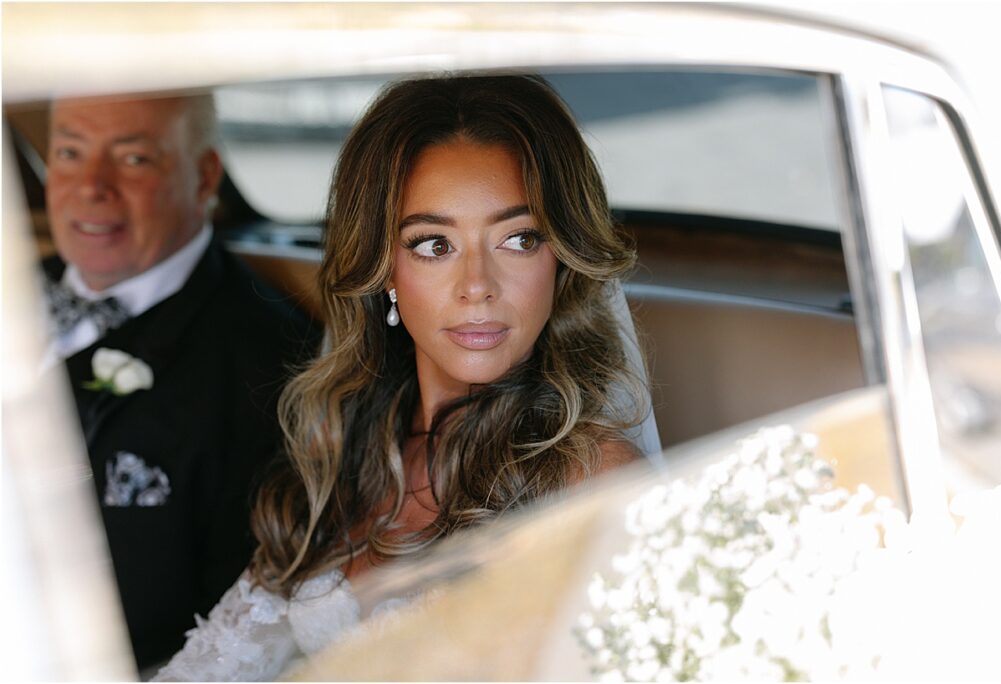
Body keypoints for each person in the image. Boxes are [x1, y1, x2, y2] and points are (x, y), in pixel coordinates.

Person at [154, 74, 650, 681]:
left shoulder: (597, 482)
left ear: (562, 257)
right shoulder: (348, 450)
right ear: (384, 266)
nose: (477, 286)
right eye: (433, 244)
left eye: (520, 238)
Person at [40, 93, 318, 671]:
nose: (92, 186)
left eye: (134, 158)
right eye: (69, 152)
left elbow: (233, 627)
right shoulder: (17, 290)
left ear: (205, 177)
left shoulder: (271, 368)